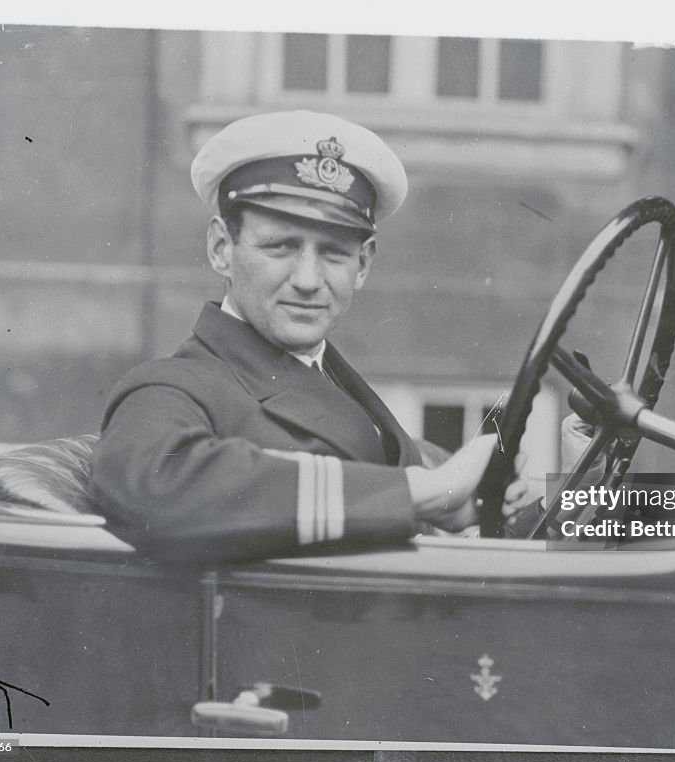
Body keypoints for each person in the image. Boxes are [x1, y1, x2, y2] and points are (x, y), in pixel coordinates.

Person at [90, 110, 536, 564]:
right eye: (280, 246)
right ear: (221, 249)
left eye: (333, 254)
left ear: (362, 265)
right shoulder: (172, 388)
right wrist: (425, 491)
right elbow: (154, 486)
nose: (308, 279)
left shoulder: (335, 383)